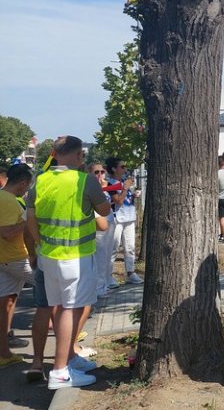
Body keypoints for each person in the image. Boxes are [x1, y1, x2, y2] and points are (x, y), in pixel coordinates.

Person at [25, 136, 110, 389]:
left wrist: (40, 244)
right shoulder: (85, 181)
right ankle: (60, 371)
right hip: (76, 256)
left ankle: (68, 361)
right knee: (69, 311)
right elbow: (104, 212)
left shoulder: (40, 181)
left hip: (49, 254)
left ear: (54, 153)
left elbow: (30, 218)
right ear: (78, 156)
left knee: (59, 307)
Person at [0, 164, 33, 368]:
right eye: (27, 185)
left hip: (7, 259)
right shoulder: (8, 201)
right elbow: (6, 232)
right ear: (22, 183)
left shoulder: (5, 198)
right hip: (17, 258)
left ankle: (4, 355)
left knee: (7, 305)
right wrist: (29, 221)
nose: (27, 189)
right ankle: (70, 344)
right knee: (54, 292)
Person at [105, 157, 142, 284]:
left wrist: (134, 194)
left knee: (130, 247)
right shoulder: (111, 183)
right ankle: (108, 275)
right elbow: (118, 201)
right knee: (113, 247)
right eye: (122, 166)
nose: (125, 169)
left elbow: (126, 199)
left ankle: (131, 272)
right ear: (114, 169)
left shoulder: (124, 182)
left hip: (129, 217)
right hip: (117, 219)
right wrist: (125, 188)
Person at [90, 163, 117, 296]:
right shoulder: (91, 187)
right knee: (100, 256)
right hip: (98, 224)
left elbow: (115, 201)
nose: (100, 174)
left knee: (107, 255)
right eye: (96, 172)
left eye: (102, 171)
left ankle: (106, 283)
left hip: (110, 221)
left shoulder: (108, 186)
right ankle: (99, 288)